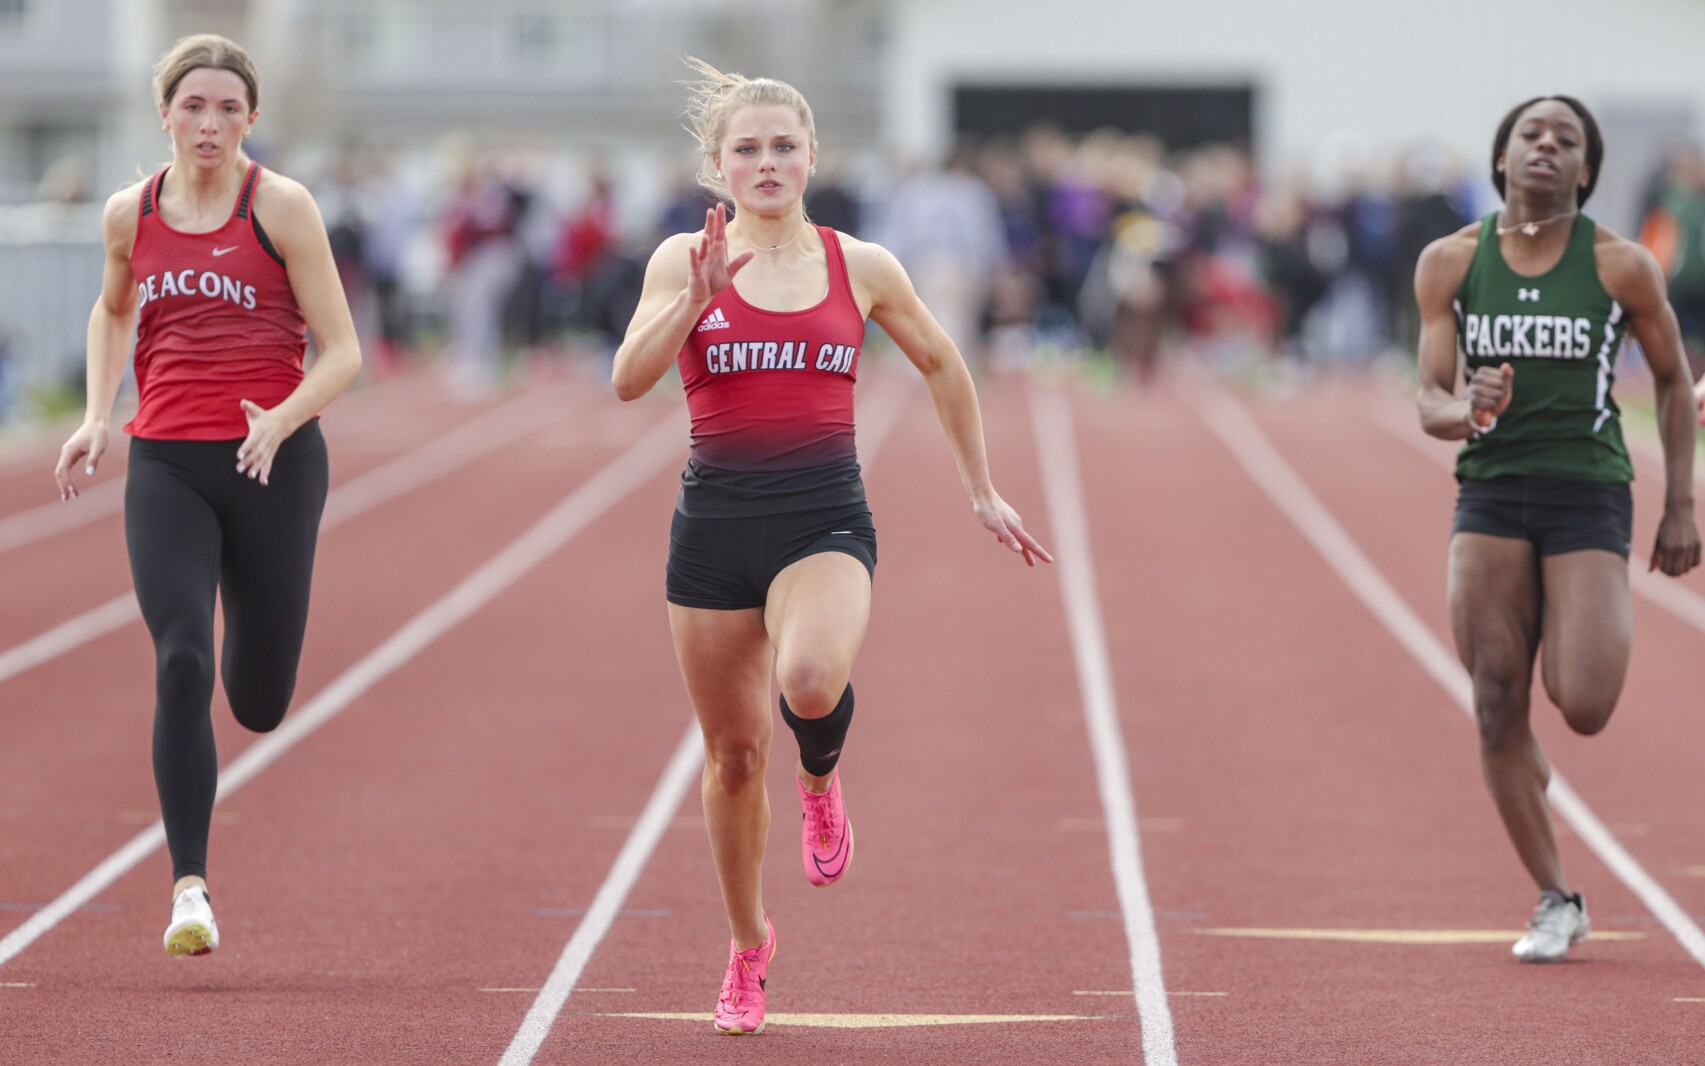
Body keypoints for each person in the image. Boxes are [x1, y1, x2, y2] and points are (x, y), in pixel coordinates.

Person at [611, 58, 1051, 1034]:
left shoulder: (863, 265)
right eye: (747, 149)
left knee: (808, 681)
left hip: (822, 519)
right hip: (714, 528)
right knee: (729, 757)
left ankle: (819, 778)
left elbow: (943, 361)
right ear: (716, 166)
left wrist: (981, 490)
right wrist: (694, 298)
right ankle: (745, 946)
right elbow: (628, 381)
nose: (766, 162)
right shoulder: (678, 260)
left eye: (783, 146)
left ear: (811, 156)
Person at [52, 34, 362, 958]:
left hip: (274, 463)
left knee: (258, 701)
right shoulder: (128, 214)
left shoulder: (282, 207)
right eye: (194, 107)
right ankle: (190, 887)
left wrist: (281, 418)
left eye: (229, 109)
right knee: (180, 658)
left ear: (251, 119)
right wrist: (98, 416)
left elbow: (343, 349)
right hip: (168, 466)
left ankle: (251, 655)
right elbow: (113, 311)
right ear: (165, 114)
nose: (211, 124)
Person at [1413, 95, 1700, 963]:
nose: (1545, 147)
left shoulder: (1620, 267)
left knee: (1582, 705)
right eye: (1529, 136)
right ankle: (1555, 897)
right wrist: (1467, 410)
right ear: (1500, 159)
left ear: (1586, 171)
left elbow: (1673, 385)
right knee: (1496, 703)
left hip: (1587, 493)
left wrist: (1680, 504)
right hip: (1491, 493)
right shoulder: (1448, 262)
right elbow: (1427, 399)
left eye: (1564, 141)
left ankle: (1526, 766)